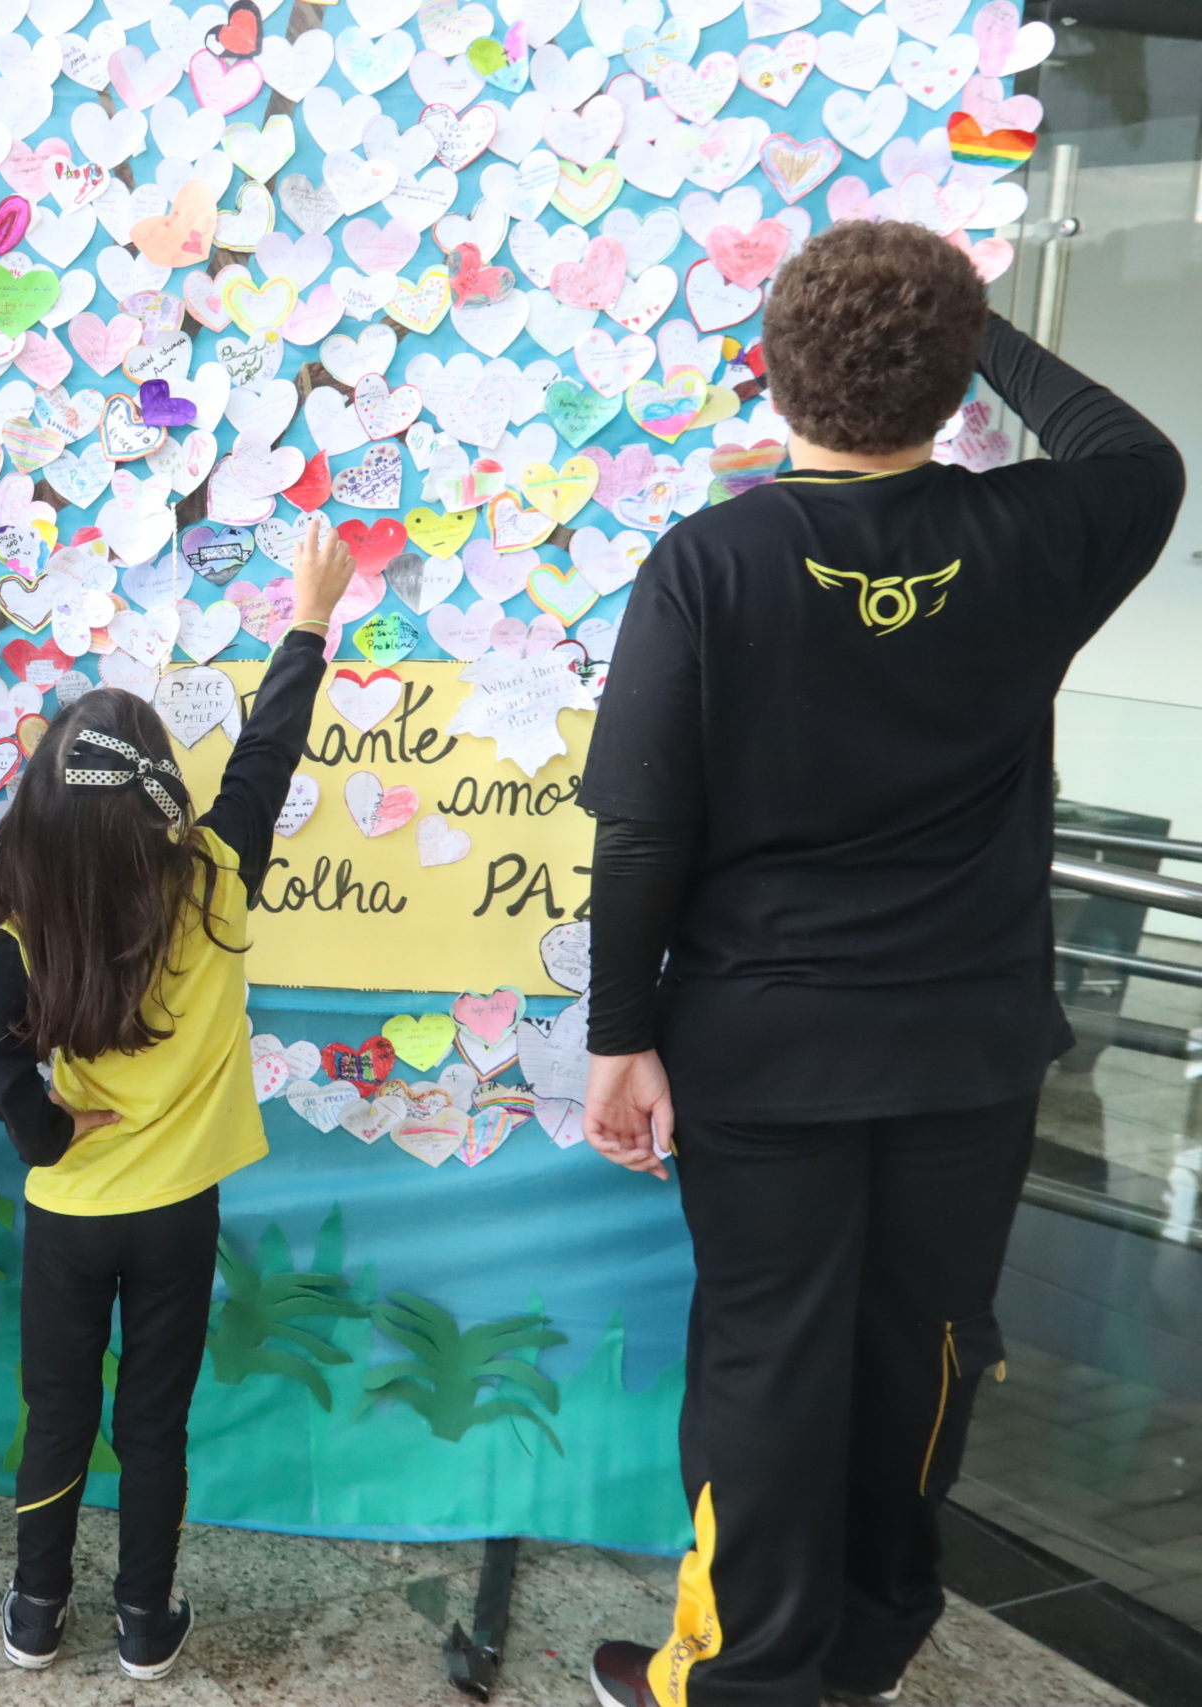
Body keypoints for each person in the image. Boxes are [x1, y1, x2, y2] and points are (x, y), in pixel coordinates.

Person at [577, 222, 1185, 1707]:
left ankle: (744, 1673)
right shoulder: (1037, 533)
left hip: (764, 1048)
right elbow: (1138, 448)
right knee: (924, 1348)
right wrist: (966, 327)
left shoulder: (711, 562)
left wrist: (620, 1034)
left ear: (774, 371)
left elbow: (644, 833)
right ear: (954, 372)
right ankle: (864, 1642)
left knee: (768, 1357)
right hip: (965, 1053)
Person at [0, 520, 357, 1682]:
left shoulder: (22, 908)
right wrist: (307, 615)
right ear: (160, 798)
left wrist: (43, 1130)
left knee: (56, 1411)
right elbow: (267, 756)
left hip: (70, 1209)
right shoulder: (219, 873)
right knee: (152, 1424)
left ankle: (35, 1611)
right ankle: (143, 1622)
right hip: (177, 1210)